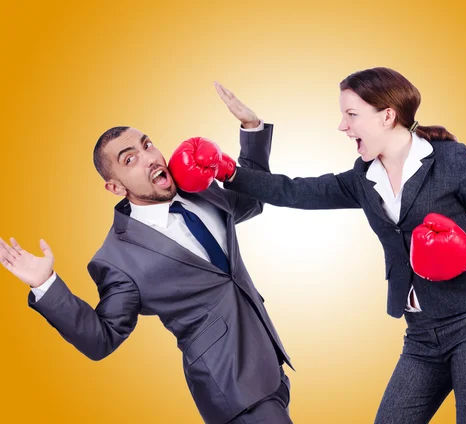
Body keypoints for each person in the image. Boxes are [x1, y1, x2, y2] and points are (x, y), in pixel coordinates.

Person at [211, 69, 466, 423]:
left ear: (387, 116)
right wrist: (229, 173)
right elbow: (293, 190)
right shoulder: (363, 179)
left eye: (351, 115)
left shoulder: (450, 161)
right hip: (421, 337)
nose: (342, 126)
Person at [0, 99, 294, 424]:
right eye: (131, 159)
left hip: (270, 365)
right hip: (232, 390)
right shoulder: (118, 258)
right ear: (115, 187)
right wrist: (45, 285)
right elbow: (102, 338)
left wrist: (252, 131)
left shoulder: (199, 191)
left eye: (148, 145)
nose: (151, 158)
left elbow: (252, 201)